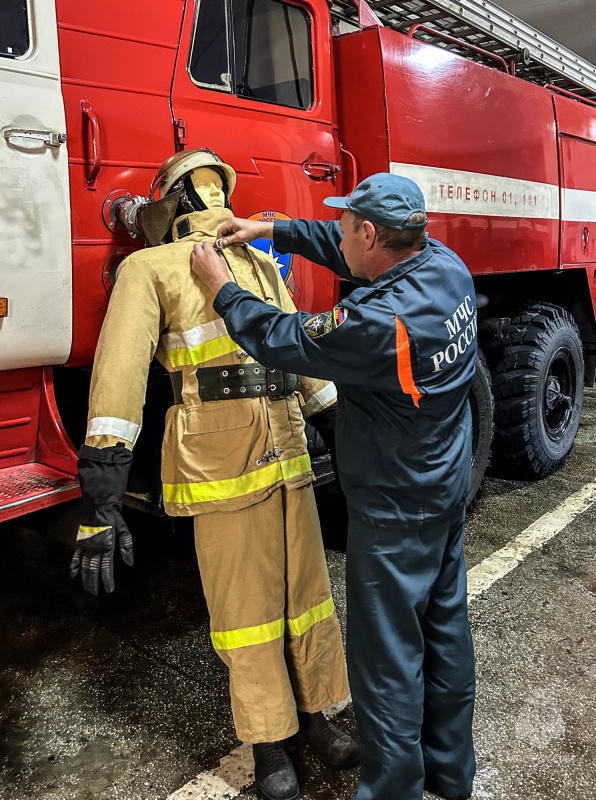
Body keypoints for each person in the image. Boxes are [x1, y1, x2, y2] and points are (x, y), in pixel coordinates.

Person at [69, 148, 358, 800]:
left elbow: (296, 344)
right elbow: (117, 378)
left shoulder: (257, 260)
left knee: (306, 597)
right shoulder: (149, 270)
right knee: (246, 612)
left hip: (286, 451)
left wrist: (338, 428)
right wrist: (103, 493)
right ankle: (269, 745)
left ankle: (315, 718)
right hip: (220, 463)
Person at [189, 173, 477, 800]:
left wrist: (223, 290)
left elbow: (283, 338)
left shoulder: (378, 322)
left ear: (371, 233)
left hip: (395, 508)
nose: (340, 233)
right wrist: (269, 229)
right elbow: (340, 242)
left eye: (350, 225)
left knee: (387, 661)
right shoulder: (447, 266)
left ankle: (393, 788)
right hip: (444, 488)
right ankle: (452, 773)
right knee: (445, 630)